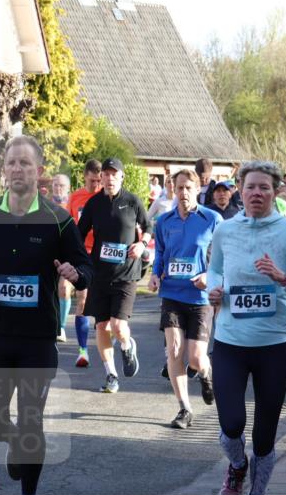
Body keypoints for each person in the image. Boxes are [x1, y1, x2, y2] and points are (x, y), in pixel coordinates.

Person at [0, 135, 92, 495]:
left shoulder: (59, 219)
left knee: (32, 420)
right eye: (12, 163)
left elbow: (83, 265)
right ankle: (18, 442)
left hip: (38, 337)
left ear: (39, 172)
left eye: (25, 163)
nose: (18, 169)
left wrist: (76, 273)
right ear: (4, 170)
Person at [206, 160, 286, 495]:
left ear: (275, 192)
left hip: (273, 344)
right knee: (232, 422)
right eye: (250, 187)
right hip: (230, 342)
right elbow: (215, 269)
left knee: (265, 431)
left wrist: (283, 278)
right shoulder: (225, 231)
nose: (256, 193)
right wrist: (213, 289)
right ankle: (237, 466)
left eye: (264, 188)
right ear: (240, 189)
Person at [149, 169, 220, 428]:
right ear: (172, 189)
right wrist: (155, 275)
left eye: (189, 188)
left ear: (198, 189)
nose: (184, 193)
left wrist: (209, 276)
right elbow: (160, 254)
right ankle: (184, 409)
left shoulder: (212, 219)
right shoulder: (165, 221)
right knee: (175, 351)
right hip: (172, 294)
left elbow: (223, 257)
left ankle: (206, 373)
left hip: (200, 297)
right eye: (179, 188)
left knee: (196, 358)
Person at [78, 158, 149, 394]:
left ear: (121, 177)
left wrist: (142, 245)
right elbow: (79, 233)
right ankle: (111, 374)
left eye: (113, 174)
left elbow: (148, 227)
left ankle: (127, 347)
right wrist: (79, 259)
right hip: (100, 274)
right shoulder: (94, 204)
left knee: (118, 326)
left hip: (126, 273)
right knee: (101, 326)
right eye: (105, 174)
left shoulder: (132, 201)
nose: (109, 178)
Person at [64, 159, 104, 365]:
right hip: (82, 253)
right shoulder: (76, 197)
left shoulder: (105, 197)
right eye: (92, 181)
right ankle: (83, 350)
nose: (96, 185)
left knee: (104, 302)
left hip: (102, 254)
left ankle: (108, 334)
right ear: (84, 177)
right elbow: (68, 225)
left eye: (99, 181)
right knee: (82, 298)